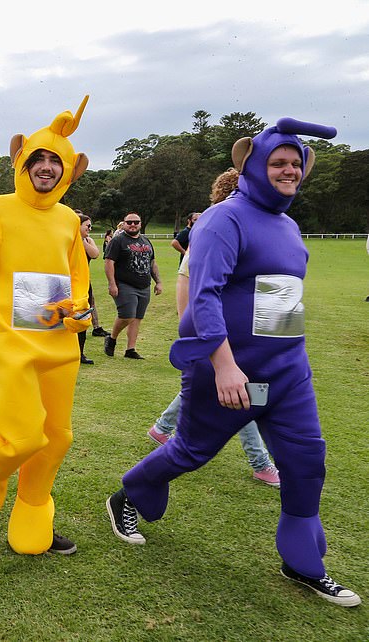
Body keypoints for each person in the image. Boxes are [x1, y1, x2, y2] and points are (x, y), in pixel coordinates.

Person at [106, 118, 361, 607]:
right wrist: (223, 364)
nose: (288, 170)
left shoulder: (287, 224)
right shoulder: (225, 218)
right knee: (191, 451)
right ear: (255, 166)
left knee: (308, 463)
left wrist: (294, 361)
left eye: (295, 163)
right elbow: (203, 295)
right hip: (228, 370)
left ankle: (303, 563)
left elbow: (282, 299)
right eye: (277, 162)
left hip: (288, 371)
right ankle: (129, 494)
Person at [0, 97, 93, 555]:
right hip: (10, 344)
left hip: (58, 345)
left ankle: (35, 511)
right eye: (40, 158)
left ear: (69, 171)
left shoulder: (71, 219)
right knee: (24, 436)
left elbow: (77, 277)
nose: (48, 167)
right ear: (23, 162)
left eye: (57, 161)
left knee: (56, 438)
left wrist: (80, 311)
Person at [147, 170, 279, 487]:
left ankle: (162, 428)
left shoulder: (255, 233)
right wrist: (196, 335)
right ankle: (261, 463)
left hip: (243, 333)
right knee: (242, 395)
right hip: (215, 333)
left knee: (215, 390)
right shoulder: (213, 231)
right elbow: (189, 288)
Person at [103, 212, 162, 359]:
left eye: (136, 222)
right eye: (129, 222)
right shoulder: (118, 241)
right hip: (124, 284)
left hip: (144, 285)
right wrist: (112, 284)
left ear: (140, 224)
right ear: (123, 224)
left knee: (137, 318)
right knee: (127, 316)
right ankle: (112, 338)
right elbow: (109, 262)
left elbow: (152, 263)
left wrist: (158, 282)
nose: (133, 224)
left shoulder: (146, 241)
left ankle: (131, 349)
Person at [76, 213, 107, 364]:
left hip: (84, 284)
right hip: (68, 284)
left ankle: (80, 353)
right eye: (87, 225)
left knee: (83, 319)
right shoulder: (67, 240)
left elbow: (95, 254)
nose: (90, 228)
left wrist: (81, 239)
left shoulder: (87, 240)